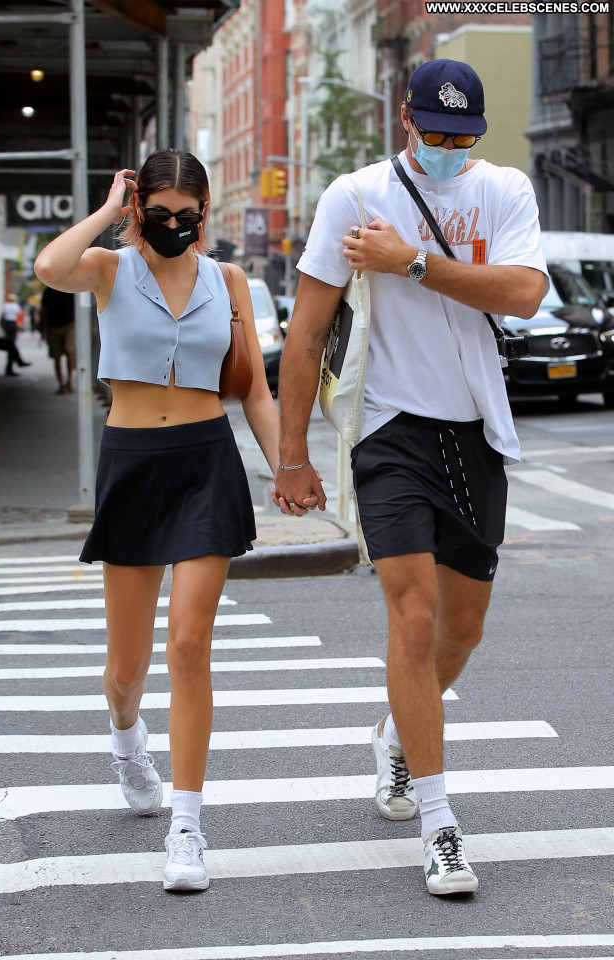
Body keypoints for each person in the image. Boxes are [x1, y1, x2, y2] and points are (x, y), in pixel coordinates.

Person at [274, 60, 548, 895]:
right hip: (389, 430)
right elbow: (306, 332)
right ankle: (439, 825)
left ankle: (396, 732)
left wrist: (413, 262)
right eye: (435, 133)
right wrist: (291, 455)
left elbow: (523, 293)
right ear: (405, 118)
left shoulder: (503, 190)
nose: (448, 148)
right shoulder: (355, 196)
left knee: (462, 630)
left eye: (463, 137)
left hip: (475, 432)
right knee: (416, 618)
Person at [34, 149, 281, 892]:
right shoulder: (110, 269)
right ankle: (125, 739)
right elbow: (50, 267)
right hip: (134, 465)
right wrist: (110, 212)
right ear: (141, 209)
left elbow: (255, 391)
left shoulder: (226, 281)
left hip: (206, 461)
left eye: (188, 215)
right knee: (126, 669)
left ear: (204, 215)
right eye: (161, 213)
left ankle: (187, 827)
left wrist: (289, 471)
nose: (175, 226)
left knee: (189, 644)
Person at [40, 286, 76, 394]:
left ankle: (69, 381)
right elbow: (44, 311)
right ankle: (61, 384)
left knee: (69, 352)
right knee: (57, 356)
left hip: (69, 325)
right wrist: (43, 329)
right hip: (53, 326)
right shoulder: (49, 291)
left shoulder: (70, 288)